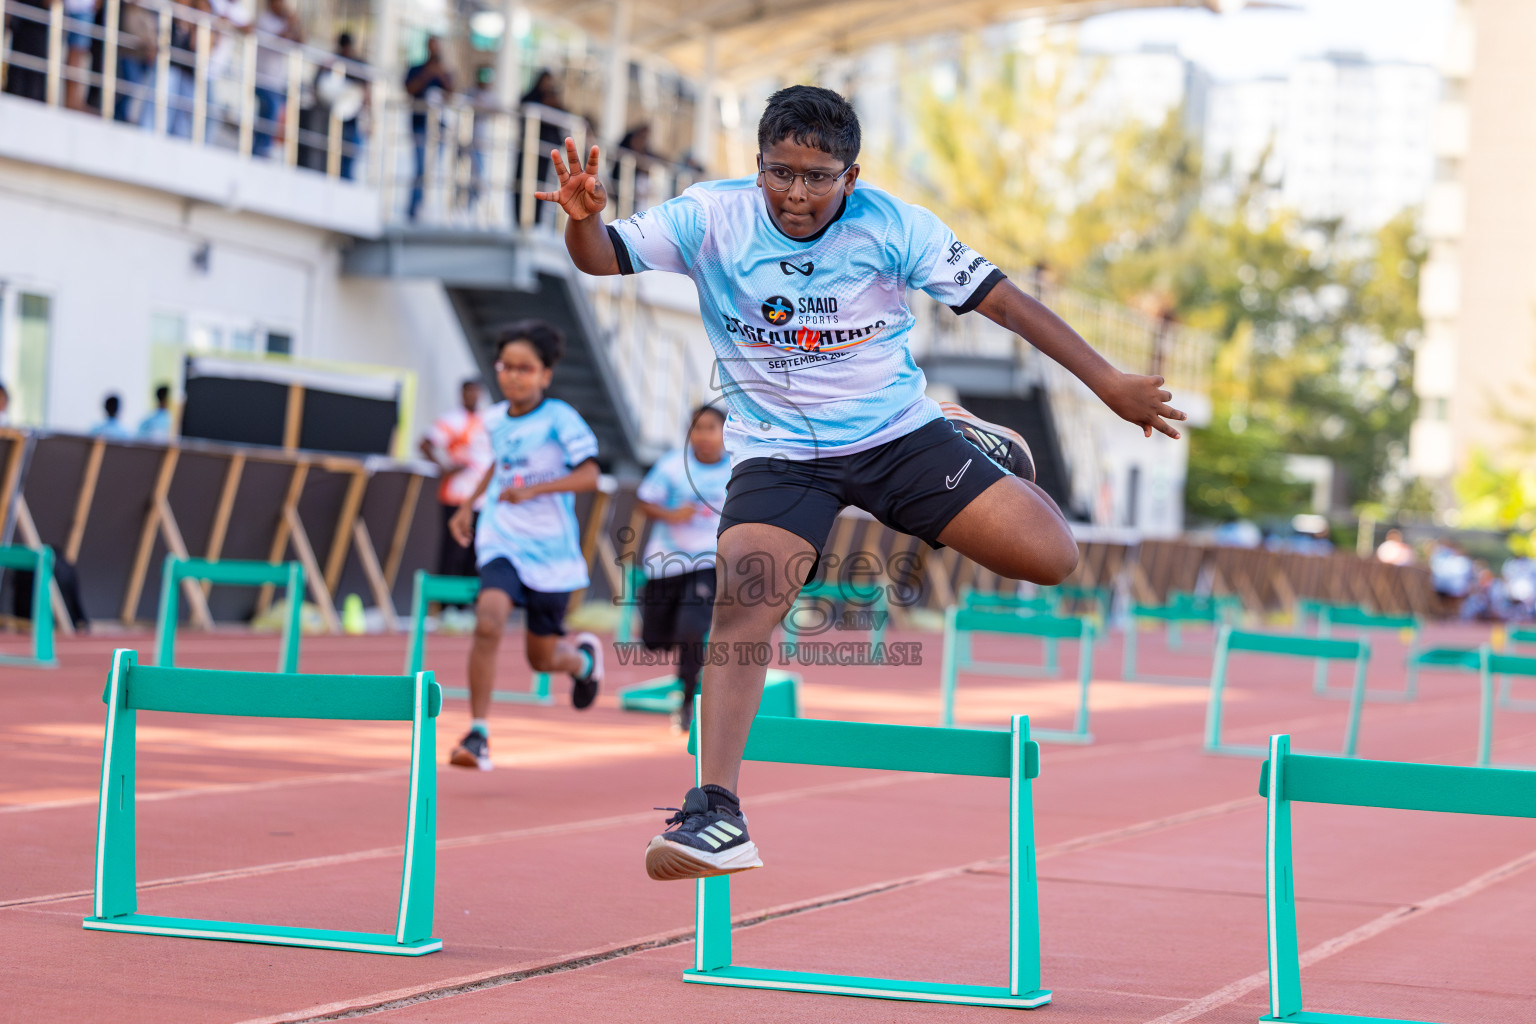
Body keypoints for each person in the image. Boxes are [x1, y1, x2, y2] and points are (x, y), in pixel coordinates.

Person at [535, 85, 1184, 881]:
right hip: (780, 451)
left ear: (851, 174)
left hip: (896, 436)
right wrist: (581, 219)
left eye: (819, 177)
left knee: (1052, 557)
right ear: (760, 164)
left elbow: (1009, 306)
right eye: (781, 173)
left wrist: (1108, 382)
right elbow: (600, 258)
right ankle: (715, 812)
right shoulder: (710, 216)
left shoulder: (895, 225)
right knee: (743, 598)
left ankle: (965, 434)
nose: (797, 194)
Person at [445, 321, 605, 771]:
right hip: (502, 536)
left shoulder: (560, 418)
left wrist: (536, 490)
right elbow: (498, 463)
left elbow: (590, 476)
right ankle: (478, 734)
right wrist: (467, 505)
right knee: (489, 620)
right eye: (506, 367)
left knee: (542, 659)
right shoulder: (494, 419)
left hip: (551, 552)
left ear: (544, 375)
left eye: (525, 369)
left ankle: (582, 663)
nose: (514, 376)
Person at [635, 405, 731, 734]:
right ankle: (678, 655)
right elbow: (644, 500)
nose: (703, 435)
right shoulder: (673, 465)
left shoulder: (735, 467)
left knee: (693, 629)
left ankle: (686, 699)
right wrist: (671, 514)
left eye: (710, 428)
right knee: (653, 640)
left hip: (707, 561)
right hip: (666, 562)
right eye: (697, 428)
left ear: (725, 432)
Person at [419, 377, 491, 594]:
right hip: (457, 496)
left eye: (476, 392)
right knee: (453, 550)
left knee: (476, 552)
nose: (472, 396)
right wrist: (445, 467)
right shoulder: (452, 420)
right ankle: (445, 603)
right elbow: (425, 443)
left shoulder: (488, 420)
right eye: (468, 392)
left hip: (482, 499)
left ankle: (465, 606)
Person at [404, 37, 453, 220]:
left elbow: (452, 94)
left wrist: (439, 75)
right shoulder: (417, 69)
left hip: (438, 128)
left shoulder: (444, 72)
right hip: (419, 125)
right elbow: (409, 89)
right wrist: (427, 74)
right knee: (420, 168)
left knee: (431, 169)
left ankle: (424, 207)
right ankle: (413, 209)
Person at [252, 0, 303, 158]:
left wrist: (296, 22)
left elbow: (300, 41)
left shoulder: (282, 21)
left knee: (271, 117)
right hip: (263, 79)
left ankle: (261, 149)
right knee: (270, 113)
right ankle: (260, 150)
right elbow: (280, 39)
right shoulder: (264, 20)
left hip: (276, 82)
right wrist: (291, 21)